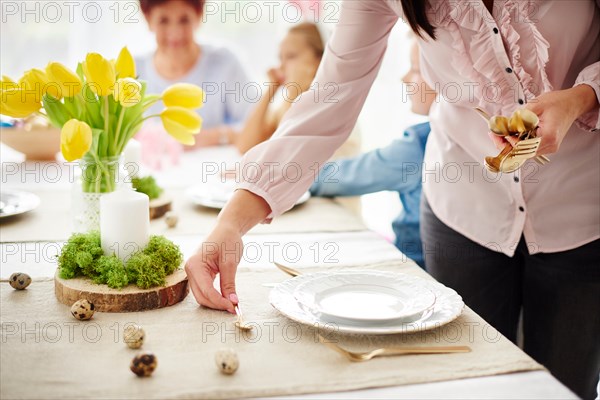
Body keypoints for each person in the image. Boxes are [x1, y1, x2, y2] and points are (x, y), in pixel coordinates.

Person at [185, 1, 600, 398]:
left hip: (583, 209)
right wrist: (230, 224)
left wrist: (583, 96)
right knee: (463, 383)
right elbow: (329, 99)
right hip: (465, 211)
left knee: (563, 387)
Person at [309, 40, 434, 267]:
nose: (404, 78)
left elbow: (339, 178)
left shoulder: (420, 145)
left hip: (415, 268)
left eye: (415, 69)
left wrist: (285, 174)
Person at [136, 0, 252, 148]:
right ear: (148, 19)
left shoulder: (225, 63)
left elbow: (259, 125)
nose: (175, 32)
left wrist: (212, 137)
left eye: (184, 20)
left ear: (199, 16)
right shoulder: (133, 72)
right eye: (163, 21)